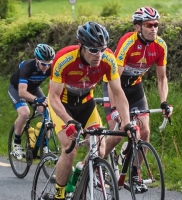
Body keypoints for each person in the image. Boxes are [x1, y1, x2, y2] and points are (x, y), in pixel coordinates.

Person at [48, 22, 134, 200]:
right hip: (63, 106)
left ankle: (79, 174)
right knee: (69, 149)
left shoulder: (108, 59)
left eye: (102, 49)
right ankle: (59, 194)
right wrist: (68, 121)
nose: (99, 55)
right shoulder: (64, 59)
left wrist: (127, 123)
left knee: (100, 151)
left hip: (87, 104)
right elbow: (53, 97)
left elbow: (118, 92)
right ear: (80, 46)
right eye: (93, 50)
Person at [102, 6, 173, 171]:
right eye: (148, 25)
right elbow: (115, 79)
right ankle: (94, 164)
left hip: (135, 87)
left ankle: (135, 173)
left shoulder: (160, 45)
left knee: (145, 132)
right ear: (138, 27)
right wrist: (114, 108)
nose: (153, 28)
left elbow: (162, 78)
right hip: (115, 86)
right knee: (119, 132)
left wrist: (164, 103)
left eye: (155, 25)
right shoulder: (128, 42)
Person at [8, 44, 55, 160]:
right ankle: (17, 143)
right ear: (36, 60)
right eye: (43, 64)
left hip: (34, 89)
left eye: (49, 64)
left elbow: (55, 86)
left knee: (47, 112)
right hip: (17, 89)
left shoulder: (51, 67)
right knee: (24, 113)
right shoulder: (27, 67)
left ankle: (45, 146)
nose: (46, 67)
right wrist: (35, 99)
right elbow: (22, 92)